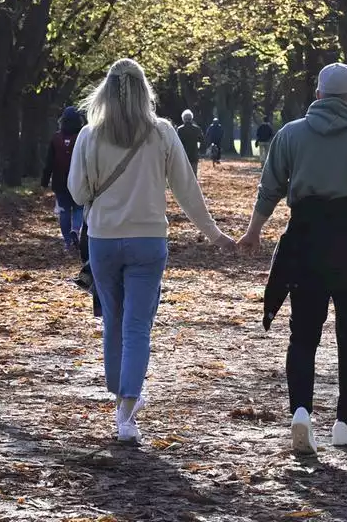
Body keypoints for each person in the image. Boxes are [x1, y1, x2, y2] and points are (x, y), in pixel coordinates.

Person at [237, 62, 347, 454]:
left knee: (303, 334)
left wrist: (253, 232)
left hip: (306, 244)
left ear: (317, 95)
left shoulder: (290, 136)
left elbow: (269, 190)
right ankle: (344, 424)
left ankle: (300, 412)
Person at [69, 59, 236, 445]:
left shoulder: (89, 136)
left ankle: (120, 397)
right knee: (137, 326)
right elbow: (186, 189)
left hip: (104, 240)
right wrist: (214, 235)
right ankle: (126, 409)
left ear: (106, 91)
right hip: (148, 241)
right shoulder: (161, 133)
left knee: (112, 319)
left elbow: (77, 193)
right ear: (145, 91)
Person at [41, 106, 85, 252]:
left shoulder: (56, 138)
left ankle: (67, 241)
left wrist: (45, 181)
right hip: (79, 179)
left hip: (60, 181)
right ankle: (76, 230)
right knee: (79, 207)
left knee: (64, 211)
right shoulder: (82, 137)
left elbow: (49, 162)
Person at [176, 109, 205, 175]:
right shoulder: (197, 129)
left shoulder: (180, 129)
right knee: (194, 174)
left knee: (184, 174)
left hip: (183, 155)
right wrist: (200, 150)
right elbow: (202, 141)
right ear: (191, 118)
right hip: (194, 155)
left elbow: (177, 143)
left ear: (183, 119)